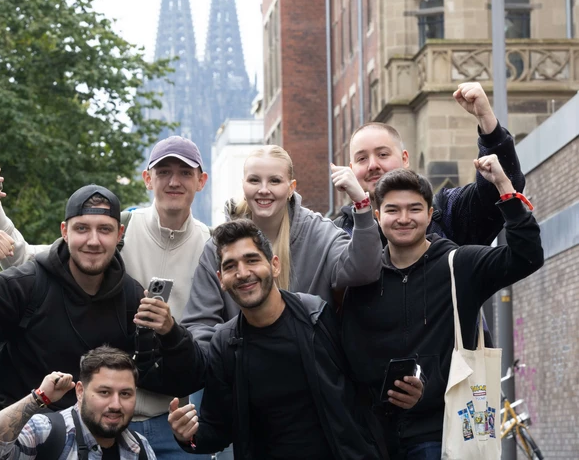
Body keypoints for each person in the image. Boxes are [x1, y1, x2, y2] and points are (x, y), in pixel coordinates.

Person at [0, 136, 212, 459]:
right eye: (164, 171)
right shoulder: (118, 226)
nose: (174, 181)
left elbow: (217, 335)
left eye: (185, 173)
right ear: (147, 179)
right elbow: (30, 260)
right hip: (103, 422)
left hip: (172, 422)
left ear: (201, 181)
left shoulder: (213, 248)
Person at [0, 185, 196, 456]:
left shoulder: (131, 298)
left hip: (81, 441)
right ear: (64, 232)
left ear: (119, 234)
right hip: (9, 437)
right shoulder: (27, 284)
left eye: (104, 230)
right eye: (82, 228)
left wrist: (171, 331)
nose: (93, 241)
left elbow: (159, 375)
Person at [340, 159, 544, 459]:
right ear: (377, 215)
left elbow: (527, 256)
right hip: (375, 439)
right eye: (393, 210)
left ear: (430, 214)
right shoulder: (363, 276)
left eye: (414, 209)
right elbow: (351, 351)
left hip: (443, 435)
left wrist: (504, 186)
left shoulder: (458, 265)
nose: (404, 218)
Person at [168, 219, 393, 459]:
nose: (243, 273)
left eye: (252, 260)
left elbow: (366, 379)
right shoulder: (225, 344)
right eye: (231, 266)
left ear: (275, 265)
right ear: (221, 279)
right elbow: (218, 429)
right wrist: (187, 436)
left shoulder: (316, 317)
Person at [181, 145, 382, 347]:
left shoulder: (320, 233)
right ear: (243, 185)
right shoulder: (219, 246)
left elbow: (364, 270)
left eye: (275, 181)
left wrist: (362, 204)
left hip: (310, 368)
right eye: (254, 180)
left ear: (291, 187)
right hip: (240, 370)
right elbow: (199, 325)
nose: (264, 190)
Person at [331, 82, 525, 247]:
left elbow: (500, 190)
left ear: (405, 158)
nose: (373, 165)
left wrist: (487, 120)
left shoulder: (446, 212)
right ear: (350, 168)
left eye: (383, 154)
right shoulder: (336, 234)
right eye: (362, 159)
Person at [0, 346, 157, 460]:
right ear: (80, 392)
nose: (115, 404)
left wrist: (187, 441)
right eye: (104, 392)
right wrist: (38, 398)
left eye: (125, 394)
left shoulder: (140, 448)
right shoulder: (47, 432)